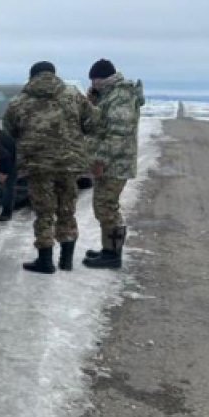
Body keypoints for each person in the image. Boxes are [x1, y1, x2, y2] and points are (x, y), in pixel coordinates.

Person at [2, 61, 96, 274]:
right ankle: (66, 260)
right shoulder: (73, 96)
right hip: (69, 164)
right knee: (67, 210)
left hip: (38, 165)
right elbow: (92, 123)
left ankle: (45, 261)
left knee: (44, 212)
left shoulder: (19, 101)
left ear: (31, 76)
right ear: (54, 74)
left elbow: (9, 130)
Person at [82, 59, 145, 268]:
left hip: (114, 163)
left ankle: (112, 255)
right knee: (103, 206)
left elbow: (117, 134)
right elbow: (98, 123)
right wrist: (92, 100)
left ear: (103, 78)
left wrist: (100, 160)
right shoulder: (109, 95)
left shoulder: (121, 96)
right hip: (110, 162)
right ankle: (108, 249)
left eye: (95, 80)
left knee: (106, 207)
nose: (93, 84)